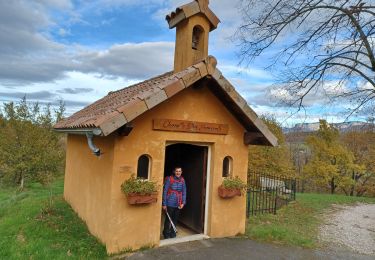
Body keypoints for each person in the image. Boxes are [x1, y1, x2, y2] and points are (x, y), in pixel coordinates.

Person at [162, 167, 187, 239]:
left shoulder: (182, 180)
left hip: (178, 203)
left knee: (175, 219)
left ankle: (173, 233)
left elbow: (184, 192)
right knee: (168, 219)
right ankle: (166, 233)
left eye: (179, 171)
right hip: (170, 202)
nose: (178, 172)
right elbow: (165, 191)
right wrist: (164, 204)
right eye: (177, 171)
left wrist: (183, 202)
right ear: (174, 172)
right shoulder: (170, 179)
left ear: (181, 172)